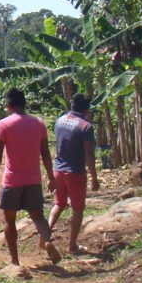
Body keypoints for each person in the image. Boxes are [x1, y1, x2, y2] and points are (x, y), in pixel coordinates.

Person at [0, 88, 61, 265]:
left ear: (8, 105)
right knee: (38, 216)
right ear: (24, 104)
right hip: (33, 180)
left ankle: (14, 261)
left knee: (10, 220)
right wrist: (51, 177)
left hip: (12, 181)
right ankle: (47, 241)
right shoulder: (38, 123)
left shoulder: (4, 124)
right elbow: (45, 153)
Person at [48, 93, 101, 254]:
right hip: (75, 173)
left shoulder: (60, 121)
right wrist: (94, 178)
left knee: (59, 204)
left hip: (58, 170)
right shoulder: (86, 126)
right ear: (87, 109)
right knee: (78, 209)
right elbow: (89, 155)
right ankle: (72, 246)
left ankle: (45, 236)